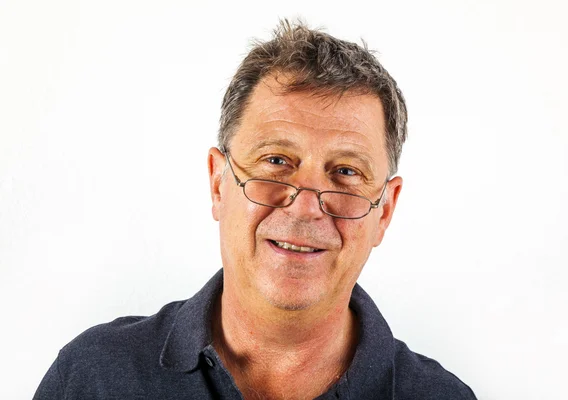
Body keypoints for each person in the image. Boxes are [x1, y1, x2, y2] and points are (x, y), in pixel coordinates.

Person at [34, 20, 477, 400]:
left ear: (385, 211)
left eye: (345, 171)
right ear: (218, 182)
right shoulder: (91, 378)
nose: (305, 207)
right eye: (277, 162)